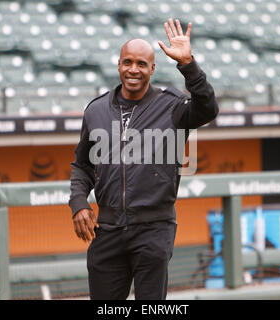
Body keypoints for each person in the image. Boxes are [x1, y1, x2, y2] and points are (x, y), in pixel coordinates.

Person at [69, 19, 219, 300]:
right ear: (118, 65)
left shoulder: (173, 107)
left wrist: (188, 65)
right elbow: (83, 165)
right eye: (127, 62)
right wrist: (79, 204)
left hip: (154, 230)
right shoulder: (96, 110)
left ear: (152, 68)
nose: (133, 70)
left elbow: (208, 108)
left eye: (141, 64)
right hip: (108, 230)